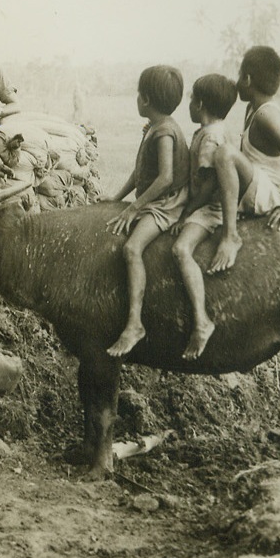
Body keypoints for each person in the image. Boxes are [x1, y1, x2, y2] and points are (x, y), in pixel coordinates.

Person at [105, 65, 190, 357]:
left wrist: (135, 207)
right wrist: (117, 199)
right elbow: (140, 172)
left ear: (146, 99)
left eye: (139, 93)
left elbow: (165, 178)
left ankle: (134, 323)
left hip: (167, 205)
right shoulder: (155, 127)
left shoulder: (164, 132)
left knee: (131, 249)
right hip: (154, 200)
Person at [206, 45, 280, 272]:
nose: (238, 80)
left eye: (240, 75)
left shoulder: (266, 115)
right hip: (257, 182)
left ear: (248, 79)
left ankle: (231, 237)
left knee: (224, 153)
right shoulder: (253, 107)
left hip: (269, 190)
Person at [170, 74, 241, 359]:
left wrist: (186, 212)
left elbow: (210, 183)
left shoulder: (210, 136)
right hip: (205, 202)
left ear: (200, 104)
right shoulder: (212, 130)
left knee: (180, 249)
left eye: (190, 99)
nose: (188, 104)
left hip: (209, 208)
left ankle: (201, 320)